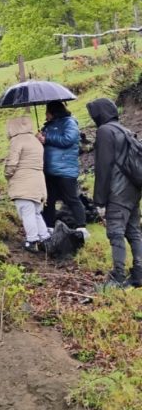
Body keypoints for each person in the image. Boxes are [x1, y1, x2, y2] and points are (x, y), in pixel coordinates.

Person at [87, 98, 142, 288]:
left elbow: (104, 167)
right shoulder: (124, 130)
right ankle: (138, 274)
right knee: (134, 231)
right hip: (133, 189)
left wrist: (99, 200)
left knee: (116, 233)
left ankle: (117, 277)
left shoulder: (105, 131)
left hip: (117, 191)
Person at [37, 101, 87, 236]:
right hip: (49, 170)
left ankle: (81, 227)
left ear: (53, 112)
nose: (46, 116)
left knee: (72, 198)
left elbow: (68, 139)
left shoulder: (69, 122)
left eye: (47, 112)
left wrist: (46, 138)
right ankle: (49, 227)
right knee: (49, 200)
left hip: (65, 170)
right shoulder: (47, 126)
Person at [4, 116, 50, 253]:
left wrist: (7, 174)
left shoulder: (17, 141)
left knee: (26, 212)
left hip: (23, 182)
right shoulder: (36, 141)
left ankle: (31, 241)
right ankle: (45, 238)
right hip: (38, 182)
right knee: (36, 212)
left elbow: (12, 163)